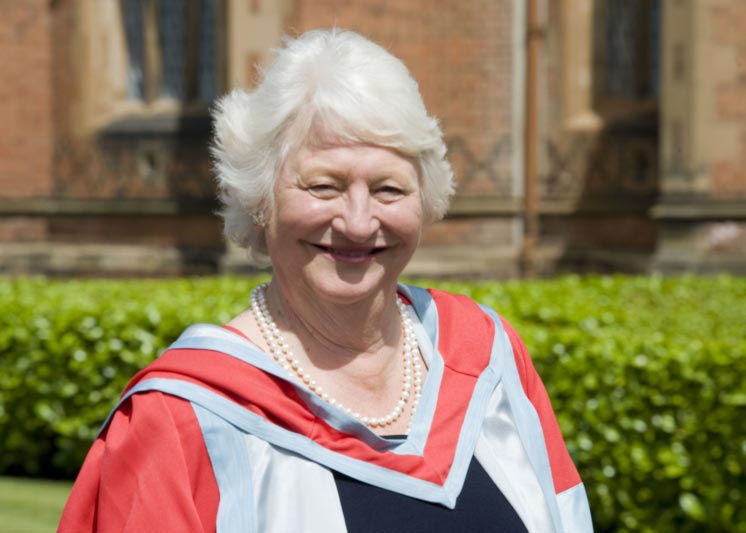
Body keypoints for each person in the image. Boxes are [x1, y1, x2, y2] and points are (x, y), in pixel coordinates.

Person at [59, 28, 592, 532]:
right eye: (323, 186)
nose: (358, 222)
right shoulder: (181, 418)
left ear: (425, 204)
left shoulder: (488, 358)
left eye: (388, 189)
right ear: (261, 199)